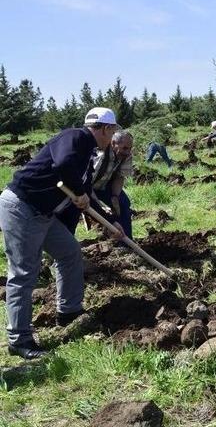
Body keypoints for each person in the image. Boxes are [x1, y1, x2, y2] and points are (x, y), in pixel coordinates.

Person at [0, 107, 124, 359]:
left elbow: (86, 195)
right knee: (24, 272)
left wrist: (110, 221)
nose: (112, 137)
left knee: (69, 252)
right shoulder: (75, 137)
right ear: (104, 129)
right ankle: (19, 339)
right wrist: (78, 191)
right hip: (22, 208)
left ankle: (68, 312)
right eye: (112, 130)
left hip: (44, 215)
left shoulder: (87, 154)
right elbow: (63, 164)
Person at [91, 130, 135, 238]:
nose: (127, 152)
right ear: (113, 143)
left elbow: (119, 177)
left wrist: (115, 196)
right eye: (124, 148)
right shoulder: (100, 155)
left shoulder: (126, 156)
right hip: (87, 187)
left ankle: (126, 242)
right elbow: (85, 183)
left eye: (129, 148)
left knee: (123, 203)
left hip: (104, 185)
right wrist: (98, 203)